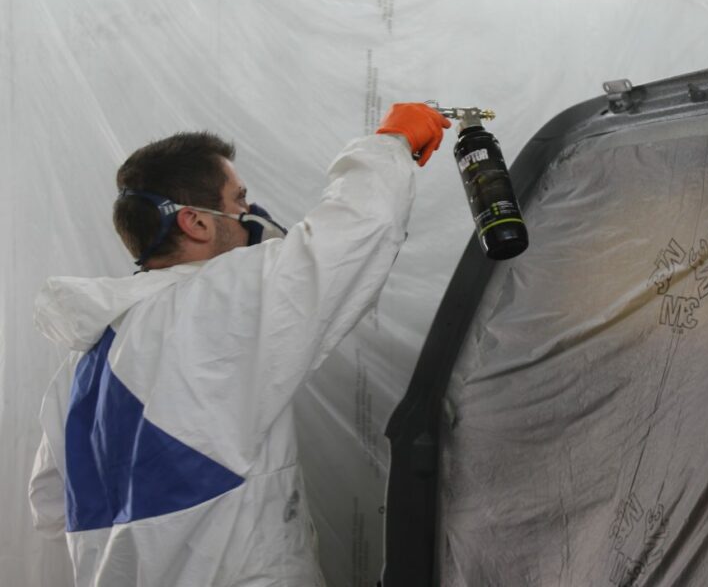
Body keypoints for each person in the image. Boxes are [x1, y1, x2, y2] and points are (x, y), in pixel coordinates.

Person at [28, 103, 451, 587]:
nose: (249, 214)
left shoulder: (80, 369)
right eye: (239, 199)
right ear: (197, 223)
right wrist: (391, 141)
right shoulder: (211, 306)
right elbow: (356, 231)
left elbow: (49, 506)